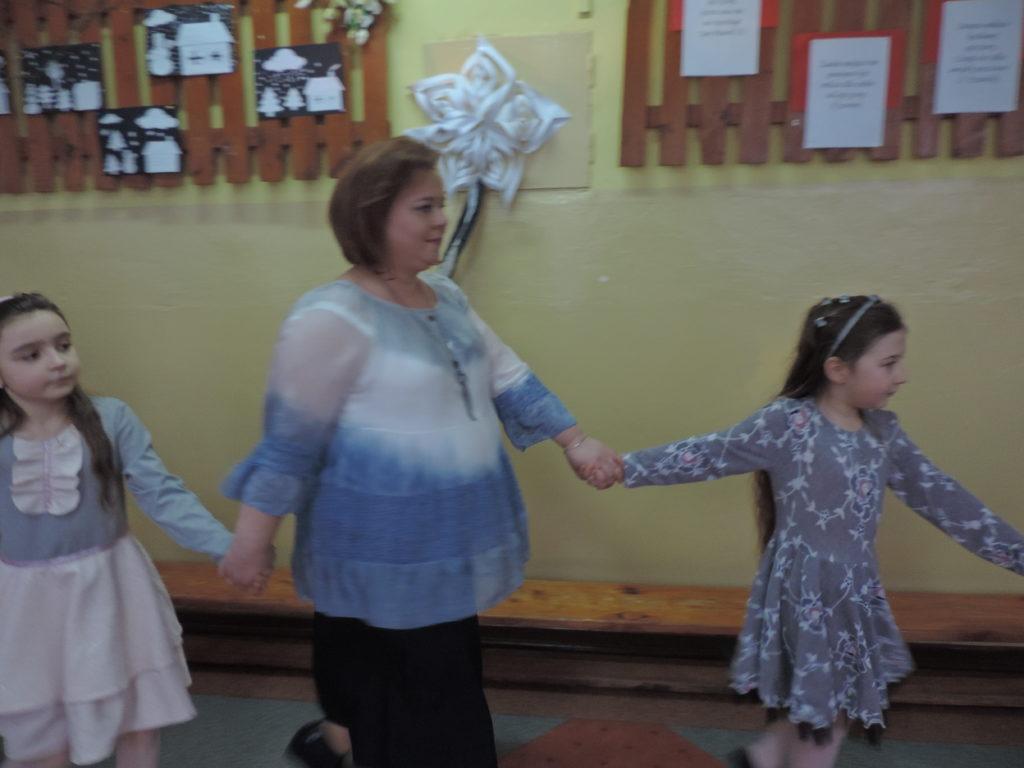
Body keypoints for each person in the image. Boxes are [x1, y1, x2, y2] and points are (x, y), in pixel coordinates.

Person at [218, 136, 623, 768]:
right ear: (372, 216)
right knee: (410, 706)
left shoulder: (446, 297)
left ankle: (347, 740)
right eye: (425, 207)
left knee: (438, 687)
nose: (442, 220)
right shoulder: (329, 317)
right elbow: (289, 444)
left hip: (447, 546)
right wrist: (251, 540)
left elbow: (506, 374)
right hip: (380, 551)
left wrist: (573, 439)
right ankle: (355, 740)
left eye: (442, 204)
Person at [617, 295, 1024, 768]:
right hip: (805, 594)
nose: (902, 376)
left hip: (852, 593)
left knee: (824, 702)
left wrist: (1018, 554)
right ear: (838, 369)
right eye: (889, 363)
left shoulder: (883, 435)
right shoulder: (789, 424)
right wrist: (623, 467)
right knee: (828, 712)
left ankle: (764, 757)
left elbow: (947, 500)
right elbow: (708, 453)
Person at [0, 293, 243, 768]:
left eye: (63, 345)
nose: (57, 361)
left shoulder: (111, 419)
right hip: (26, 605)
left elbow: (163, 493)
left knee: (138, 719)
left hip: (112, 591)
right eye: (31, 355)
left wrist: (225, 547)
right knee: (42, 734)